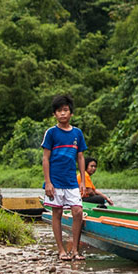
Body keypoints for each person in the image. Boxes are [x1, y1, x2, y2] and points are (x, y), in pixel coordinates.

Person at [41, 94, 88, 261]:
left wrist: (82, 181)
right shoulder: (51, 133)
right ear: (55, 114)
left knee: (78, 211)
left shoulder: (77, 133)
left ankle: (75, 250)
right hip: (55, 180)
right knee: (57, 212)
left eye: (66, 110)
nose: (63, 114)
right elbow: (45, 158)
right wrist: (48, 182)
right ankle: (61, 250)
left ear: (71, 113)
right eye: (59, 111)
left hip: (71, 181)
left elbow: (80, 157)